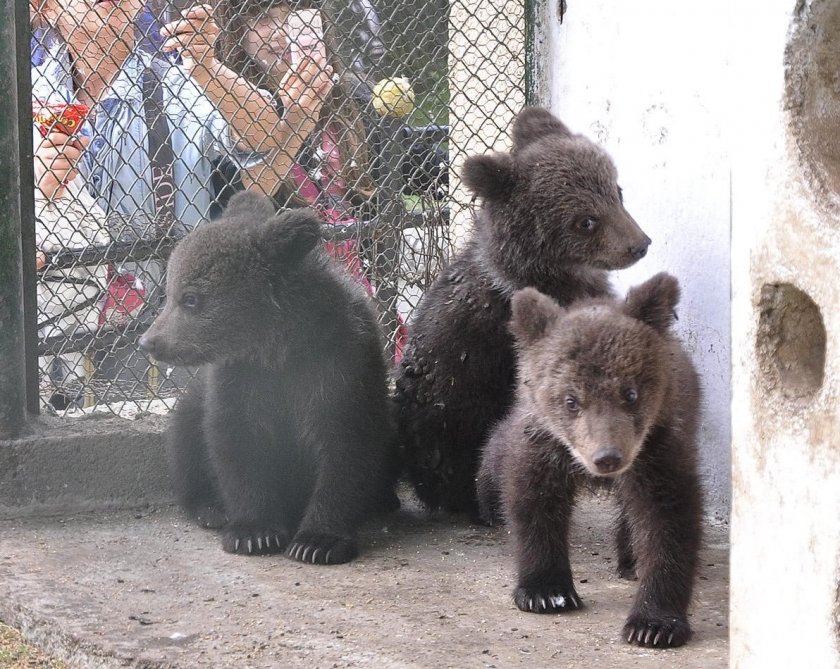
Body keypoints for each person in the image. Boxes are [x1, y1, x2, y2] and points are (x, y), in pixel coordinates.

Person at [29, 0, 330, 408]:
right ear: (43, 7)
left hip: (160, 333)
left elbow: (263, 136)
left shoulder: (173, 83)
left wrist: (206, 65)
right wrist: (29, 190)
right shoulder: (20, 94)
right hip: (50, 335)